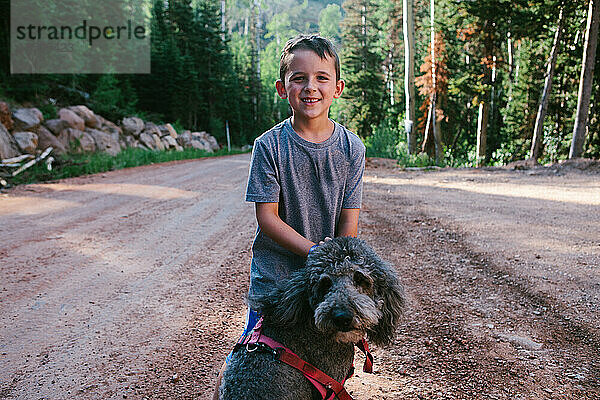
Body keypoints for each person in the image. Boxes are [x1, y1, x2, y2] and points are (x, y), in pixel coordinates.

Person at [212, 34, 365, 399]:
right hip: (277, 281)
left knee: (323, 371)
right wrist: (313, 252)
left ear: (338, 88)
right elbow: (267, 218)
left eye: (321, 78)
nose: (310, 87)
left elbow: (349, 222)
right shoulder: (269, 145)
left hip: (326, 284)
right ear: (283, 88)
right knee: (254, 360)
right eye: (299, 78)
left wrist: (337, 261)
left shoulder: (351, 148)